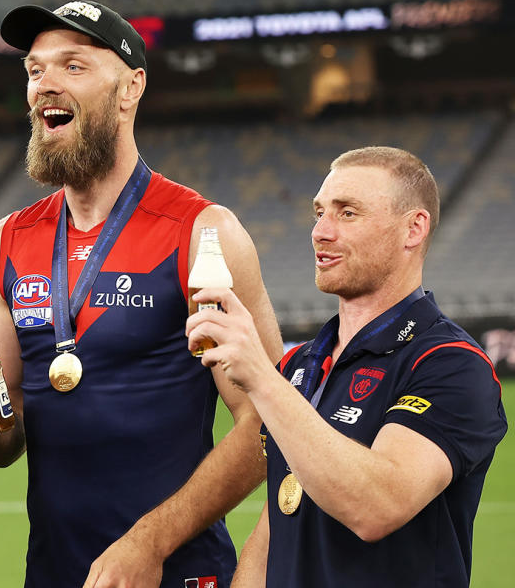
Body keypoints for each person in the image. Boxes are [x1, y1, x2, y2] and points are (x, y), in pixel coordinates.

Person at [0, 1, 282, 587]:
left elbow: (271, 421)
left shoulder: (201, 231)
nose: (44, 82)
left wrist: (151, 543)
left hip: (175, 572)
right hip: (53, 573)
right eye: (35, 69)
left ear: (131, 89)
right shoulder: (9, 239)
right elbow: (4, 444)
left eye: (73, 66)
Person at [184, 147, 508, 587]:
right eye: (319, 213)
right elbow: (277, 521)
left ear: (413, 228)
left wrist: (260, 374)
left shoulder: (451, 364)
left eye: (347, 213)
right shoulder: (302, 364)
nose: (320, 231)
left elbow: (377, 507)